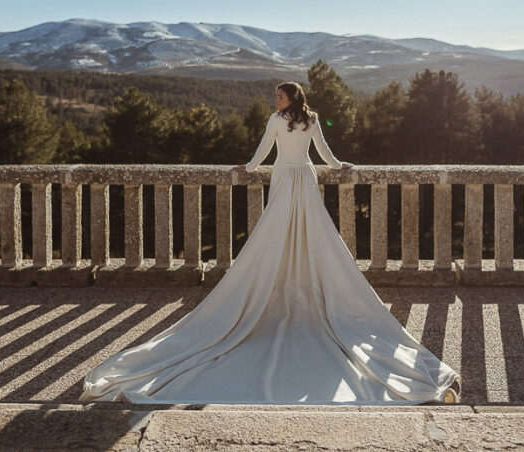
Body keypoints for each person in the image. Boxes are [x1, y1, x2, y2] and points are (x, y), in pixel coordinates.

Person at [79, 81, 461, 405]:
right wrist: (337, 165)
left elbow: (267, 150)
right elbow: (323, 154)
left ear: (291, 99)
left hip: (285, 176)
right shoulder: (308, 119)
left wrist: (248, 168)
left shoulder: (279, 121)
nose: (274, 101)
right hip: (303, 176)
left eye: (279, 96)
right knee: (308, 231)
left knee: (282, 230)